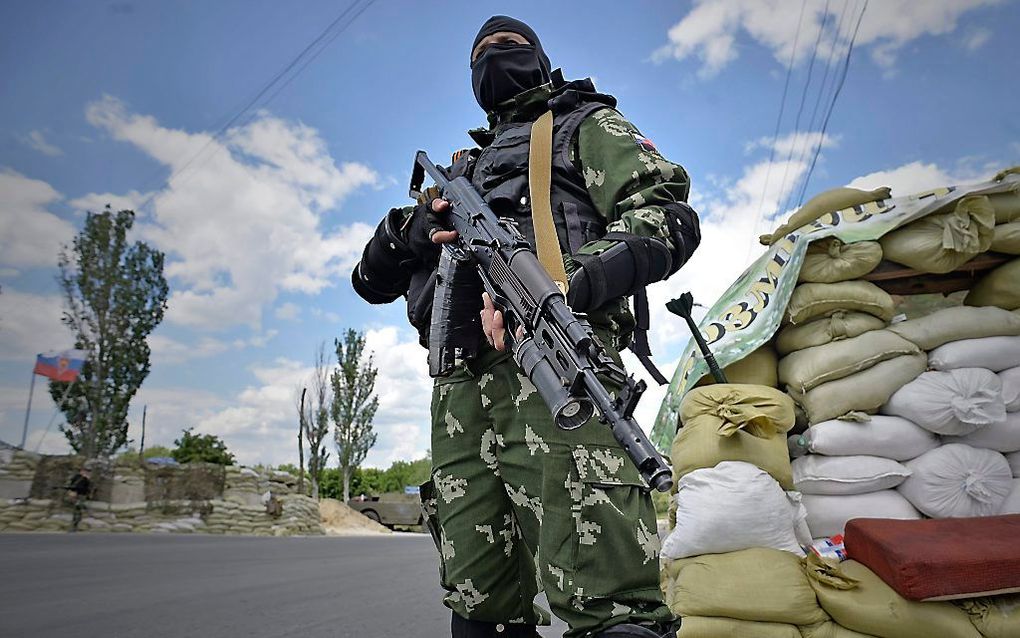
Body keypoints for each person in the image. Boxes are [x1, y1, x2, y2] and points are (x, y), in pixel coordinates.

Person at [351, 15, 700, 638]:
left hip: (558, 367)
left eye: (509, 47)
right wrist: (412, 232)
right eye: (480, 53)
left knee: (609, 596)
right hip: (459, 393)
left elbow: (667, 216)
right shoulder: (464, 172)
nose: (493, 57)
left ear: (540, 60)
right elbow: (368, 281)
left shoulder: (583, 126)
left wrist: (566, 282)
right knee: (477, 595)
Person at [65, 467, 91, 532]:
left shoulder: (86, 479)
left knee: (78, 508)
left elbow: (88, 487)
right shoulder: (76, 477)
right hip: (75, 494)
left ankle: (77, 523)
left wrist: (87, 479)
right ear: (81, 471)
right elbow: (72, 485)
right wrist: (71, 492)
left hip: (82, 495)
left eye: (86, 471)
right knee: (77, 508)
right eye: (84, 471)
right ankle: (74, 525)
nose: (85, 472)